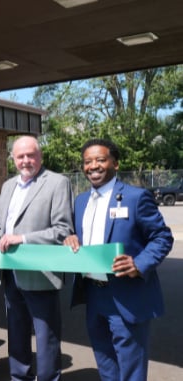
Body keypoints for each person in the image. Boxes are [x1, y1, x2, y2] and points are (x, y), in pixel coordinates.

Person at [63, 139, 173, 381]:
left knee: (131, 370)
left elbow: (162, 237)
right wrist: (71, 238)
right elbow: (78, 236)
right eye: (87, 162)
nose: (93, 166)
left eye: (100, 160)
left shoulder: (135, 197)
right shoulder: (80, 201)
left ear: (115, 163)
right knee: (106, 364)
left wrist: (139, 264)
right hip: (94, 295)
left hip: (127, 296)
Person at [0, 135, 73, 381]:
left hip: (40, 273)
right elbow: (0, 224)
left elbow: (62, 230)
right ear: (13, 159)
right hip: (10, 273)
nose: (25, 160)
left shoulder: (57, 183)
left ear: (40, 156)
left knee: (46, 337)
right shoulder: (8, 185)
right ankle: (19, 377)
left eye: (30, 155)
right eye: (20, 156)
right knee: (17, 331)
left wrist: (21, 238)